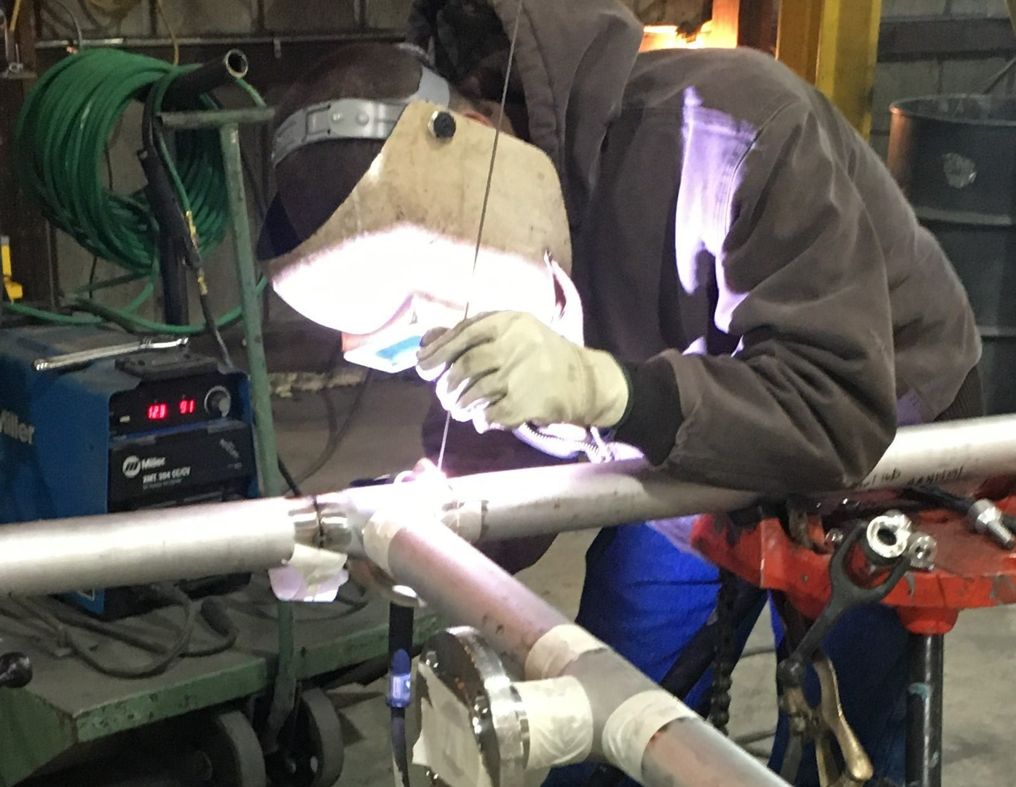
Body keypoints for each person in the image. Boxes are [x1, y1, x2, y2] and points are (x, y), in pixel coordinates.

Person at [262, 2, 983, 785]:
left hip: (879, 460)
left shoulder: (732, 128)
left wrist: (602, 387)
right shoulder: (502, 216)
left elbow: (837, 407)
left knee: (843, 755)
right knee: (606, 726)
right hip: (682, 451)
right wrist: (384, 531)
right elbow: (493, 452)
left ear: (483, 134)